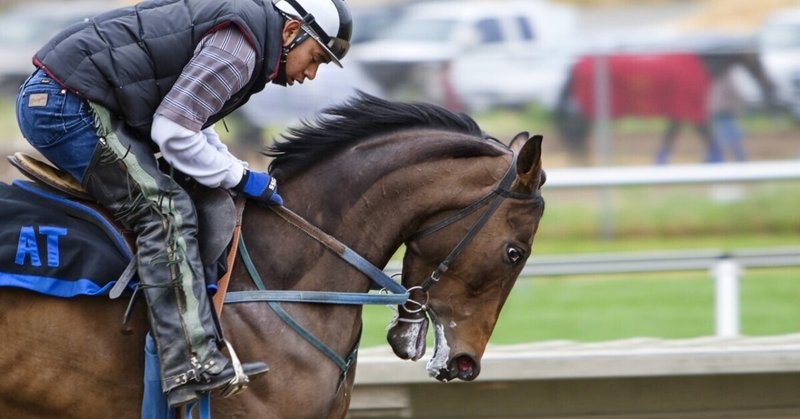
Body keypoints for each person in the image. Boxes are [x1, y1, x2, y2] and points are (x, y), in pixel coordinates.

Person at [15, 0, 352, 409]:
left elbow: (194, 123)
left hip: (79, 99)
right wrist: (243, 178)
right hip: (66, 107)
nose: (310, 74)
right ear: (291, 31)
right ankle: (190, 362)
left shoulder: (249, 39)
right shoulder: (240, 48)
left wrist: (236, 170)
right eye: (314, 57)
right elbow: (173, 132)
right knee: (165, 211)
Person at [708, 65, 748, 162]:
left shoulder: (724, 78)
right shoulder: (721, 78)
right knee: (727, 138)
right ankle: (715, 160)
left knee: (726, 138)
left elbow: (735, 93)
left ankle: (715, 161)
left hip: (724, 112)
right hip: (721, 112)